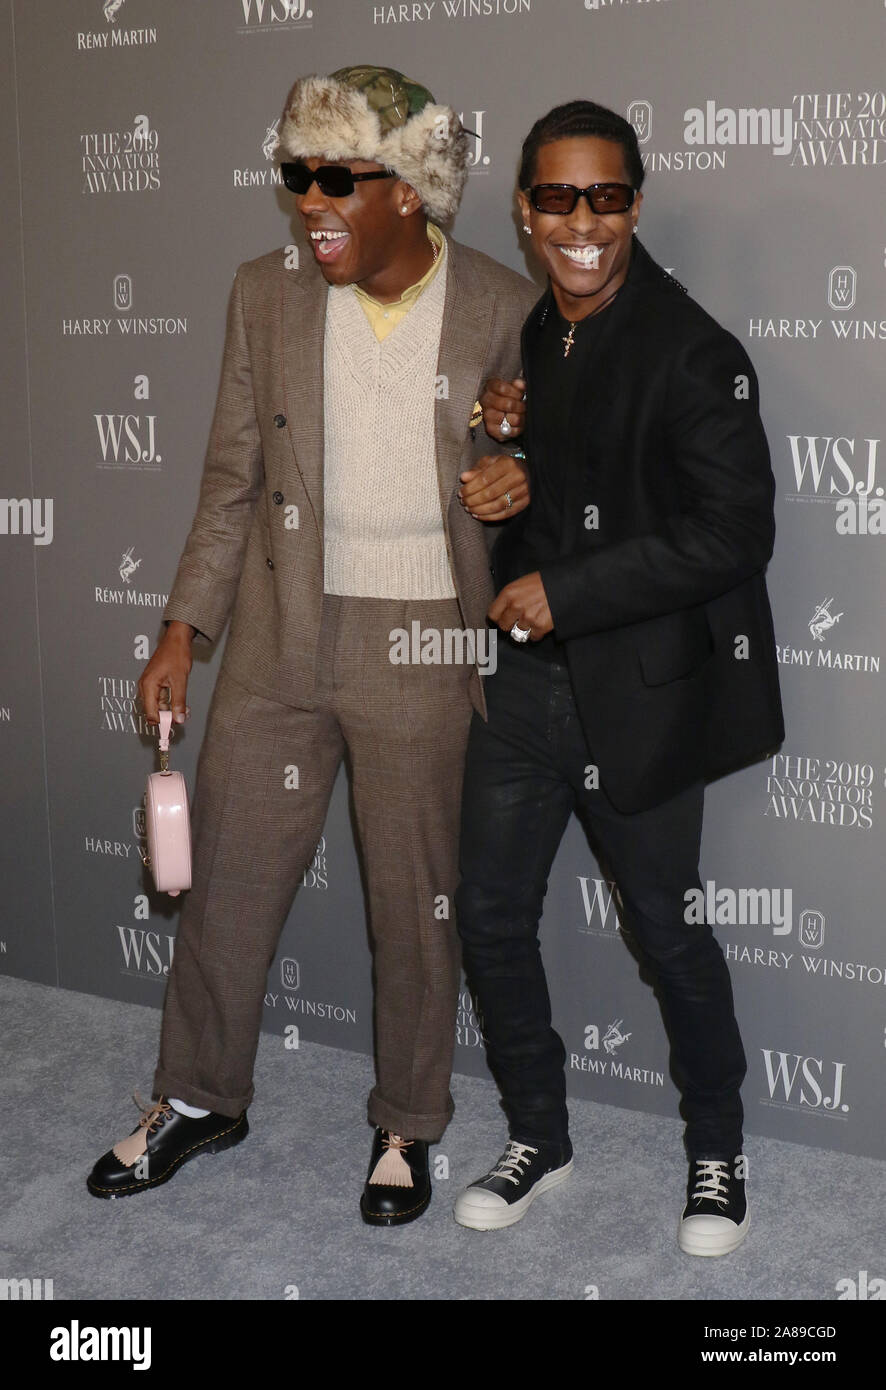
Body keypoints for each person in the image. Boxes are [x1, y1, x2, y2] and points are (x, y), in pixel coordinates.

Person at [86, 65, 537, 1226]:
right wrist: (184, 627)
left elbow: (552, 487)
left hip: (426, 641)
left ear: (411, 189)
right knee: (228, 879)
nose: (312, 202)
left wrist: (518, 473)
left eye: (340, 177)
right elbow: (230, 482)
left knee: (413, 900)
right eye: (297, 175)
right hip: (285, 632)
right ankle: (196, 1096)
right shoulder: (266, 293)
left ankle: (407, 1122)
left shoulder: (498, 305)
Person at [452, 100, 784, 1256]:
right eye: (556, 198)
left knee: (667, 928)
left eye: (604, 197)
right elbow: (567, 489)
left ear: (634, 203)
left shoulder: (696, 351)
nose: (580, 223)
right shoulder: (537, 339)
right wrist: (506, 477)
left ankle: (716, 1145)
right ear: (525, 211)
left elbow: (734, 532)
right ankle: (538, 1134)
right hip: (527, 689)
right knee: (488, 916)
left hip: (638, 695)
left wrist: (570, 591)